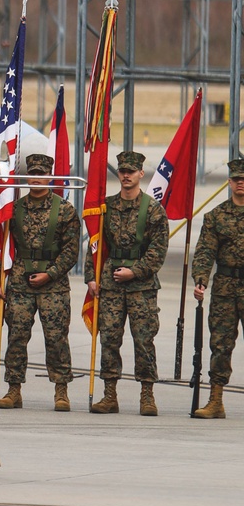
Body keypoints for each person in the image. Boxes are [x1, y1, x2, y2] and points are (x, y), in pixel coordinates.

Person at [0, 152, 81, 411]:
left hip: (53, 285)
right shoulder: (14, 209)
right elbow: (5, 246)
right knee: (17, 337)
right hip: (20, 283)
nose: (37, 179)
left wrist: (50, 274)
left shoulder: (64, 211)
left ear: (50, 177)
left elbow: (70, 252)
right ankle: (13, 389)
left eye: (42, 174)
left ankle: (61, 390)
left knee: (56, 339)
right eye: (33, 174)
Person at [86, 149, 169, 415]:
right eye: (122, 171)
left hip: (141, 287)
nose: (126, 176)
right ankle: (110, 395)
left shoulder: (154, 210)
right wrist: (91, 277)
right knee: (110, 339)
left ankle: (147, 395)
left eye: (131, 172)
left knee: (144, 340)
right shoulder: (106, 207)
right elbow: (95, 245)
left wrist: (135, 272)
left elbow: (158, 251)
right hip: (111, 284)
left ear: (141, 174)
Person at [191, 157, 244, 419]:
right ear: (229, 181)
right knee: (220, 345)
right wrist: (201, 279)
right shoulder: (216, 216)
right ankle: (216, 400)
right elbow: (204, 251)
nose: (240, 183)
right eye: (236, 179)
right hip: (225, 287)